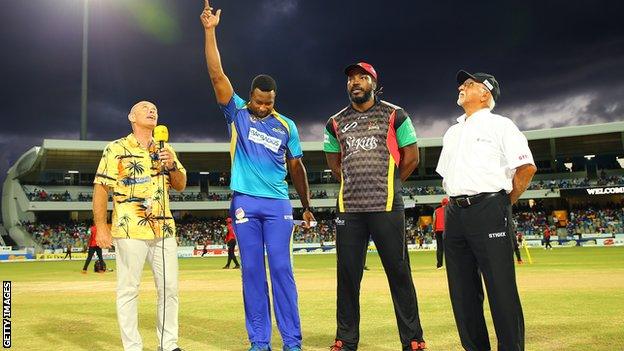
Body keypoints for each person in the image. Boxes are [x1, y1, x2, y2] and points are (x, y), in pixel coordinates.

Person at [201, 3, 314, 350]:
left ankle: (292, 342)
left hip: (279, 203)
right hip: (245, 202)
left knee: (281, 270)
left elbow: (297, 167)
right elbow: (217, 75)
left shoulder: (287, 125)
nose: (263, 107)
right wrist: (210, 31)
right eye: (259, 101)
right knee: (252, 273)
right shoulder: (236, 112)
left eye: (269, 102)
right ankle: (259, 342)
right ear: (250, 96)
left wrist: (306, 205)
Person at [324, 62, 426, 351]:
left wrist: (389, 183)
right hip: (349, 210)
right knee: (347, 277)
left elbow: (411, 158)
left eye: (362, 77)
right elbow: (334, 163)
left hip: (386, 206)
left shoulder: (395, 114)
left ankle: (413, 339)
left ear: (373, 83)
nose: (355, 82)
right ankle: (345, 339)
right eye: (351, 78)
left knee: (399, 274)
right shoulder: (335, 121)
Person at [436, 70, 536, 351]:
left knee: (501, 289)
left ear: (485, 93)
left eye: (469, 84)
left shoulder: (501, 125)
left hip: (490, 207)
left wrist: (505, 201)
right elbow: (447, 174)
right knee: (462, 292)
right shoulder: (452, 131)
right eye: (462, 83)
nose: (461, 87)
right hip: (456, 212)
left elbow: (526, 167)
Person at [92, 100, 186, 351]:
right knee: (128, 289)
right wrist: (101, 226)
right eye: (145, 107)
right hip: (129, 228)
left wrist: (172, 165)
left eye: (155, 108)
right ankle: (132, 347)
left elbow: (180, 184)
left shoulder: (166, 149)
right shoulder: (116, 148)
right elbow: (101, 187)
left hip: (164, 229)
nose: (152, 110)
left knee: (169, 289)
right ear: (131, 117)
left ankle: (168, 344)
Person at [432, 198, 448, 269]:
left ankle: (439, 265)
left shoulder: (436, 211)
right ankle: (449, 265)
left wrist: (434, 230)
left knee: (439, 248)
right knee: (448, 248)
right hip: (447, 230)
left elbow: (434, 221)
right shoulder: (449, 210)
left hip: (438, 230)